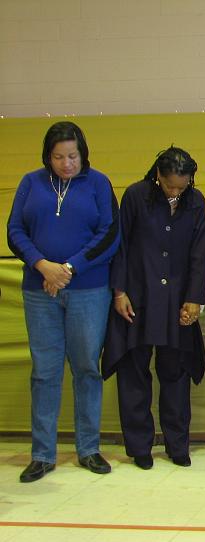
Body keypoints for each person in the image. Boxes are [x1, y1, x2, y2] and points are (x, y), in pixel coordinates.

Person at [7, 121, 120, 483]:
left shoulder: (99, 183)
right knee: (45, 371)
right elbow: (14, 231)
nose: (66, 163)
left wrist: (69, 268)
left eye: (72, 156)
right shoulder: (30, 183)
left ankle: (88, 448)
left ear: (83, 153)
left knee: (86, 366)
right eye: (58, 157)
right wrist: (43, 265)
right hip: (39, 289)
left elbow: (110, 235)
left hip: (88, 290)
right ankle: (42, 453)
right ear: (48, 156)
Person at [102, 147, 205, 470]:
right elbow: (119, 245)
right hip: (137, 295)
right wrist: (119, 291)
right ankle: (139, 446)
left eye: (182, 186)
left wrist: (194, 298)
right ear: (157, 176)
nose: (175, 192)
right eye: (170, 186)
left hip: (177, 299)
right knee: (134, 372)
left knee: (175, 373)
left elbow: (199, 251)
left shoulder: (196, 200)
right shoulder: (136, 196)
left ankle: (178, 444)